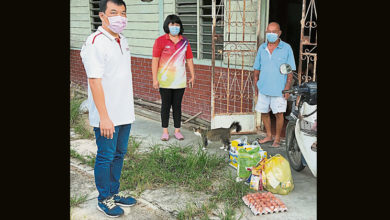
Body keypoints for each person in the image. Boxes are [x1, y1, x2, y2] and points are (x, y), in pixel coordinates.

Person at [80, 0, 137, 217]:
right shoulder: (95, 42)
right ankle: (104, 198)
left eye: (123, 13)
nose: (119, 17)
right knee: (106, 155)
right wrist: (104, 117)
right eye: (114, 13)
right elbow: (95, 81)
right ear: (102, 15)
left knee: (119, 154)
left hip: (124, 112)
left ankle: (114, 192)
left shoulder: (122, 40)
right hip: (107, 115)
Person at [152, 14, 195, 141]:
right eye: (172, 24)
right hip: (164, 81)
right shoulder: (160, 41)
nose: (175, 27)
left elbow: (189, 59)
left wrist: (193, 75)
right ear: (167, 26)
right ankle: (165, 131)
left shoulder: (185, 42)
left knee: (177, 106)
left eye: (177, 25)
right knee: (165, 105)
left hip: (180, 81)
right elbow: (155, 60)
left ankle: (177, 130)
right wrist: (155, 79)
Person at [253, 22, 296, 147]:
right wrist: (256, 86)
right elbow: (256, 69)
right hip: (263, 87)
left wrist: (287, 88)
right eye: (269, 32)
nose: (271, 34)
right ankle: (269, 135)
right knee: (264, 112)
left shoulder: (286, 48)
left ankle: (277, 138)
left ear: (279, 33)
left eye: (274, 31)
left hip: (279, 90)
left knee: (278, 114)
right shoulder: (262, 48)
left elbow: (289, 71)